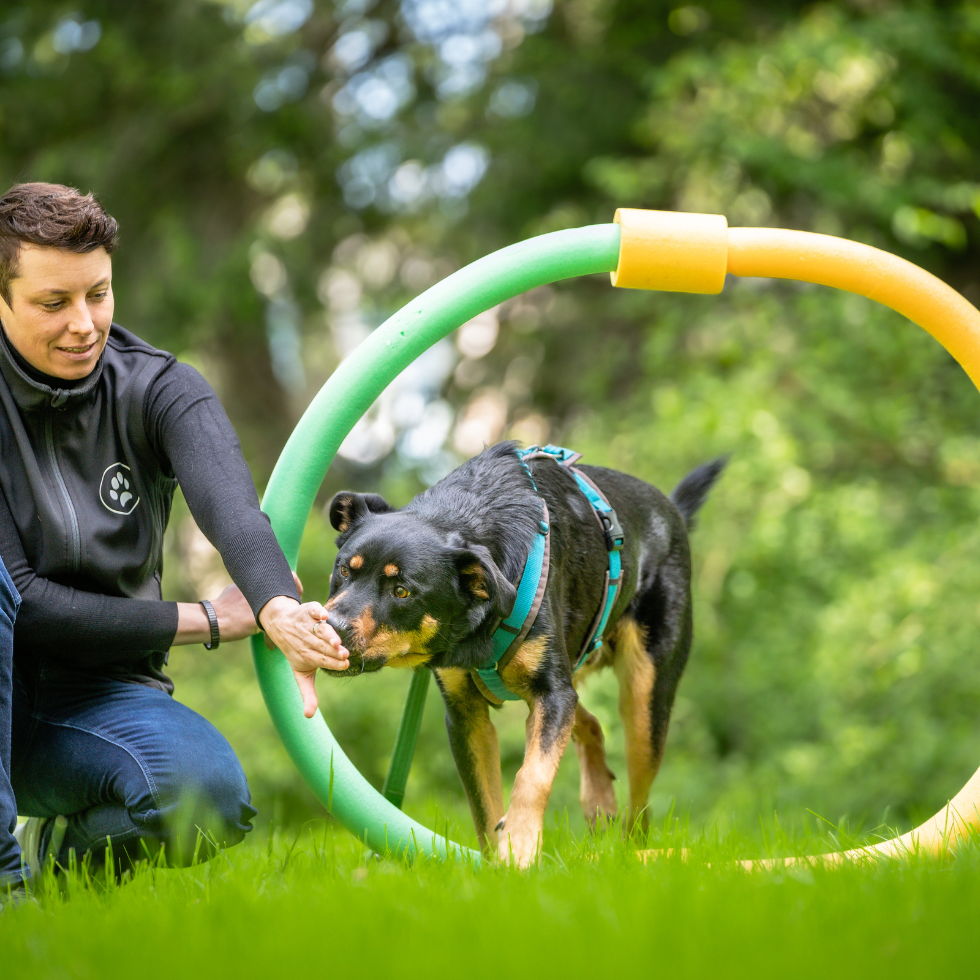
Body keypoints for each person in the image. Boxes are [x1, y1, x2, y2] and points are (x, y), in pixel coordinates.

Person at [0, 182, 349, 896]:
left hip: (98, 698)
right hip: (11, 680)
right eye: (52, 303)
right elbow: (26, 601)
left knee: (207, 802)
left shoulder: (160, 388)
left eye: (98, 294)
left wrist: (277, 606)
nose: (84, 324)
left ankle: (56, 869)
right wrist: (209, 620)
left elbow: (236, 514)